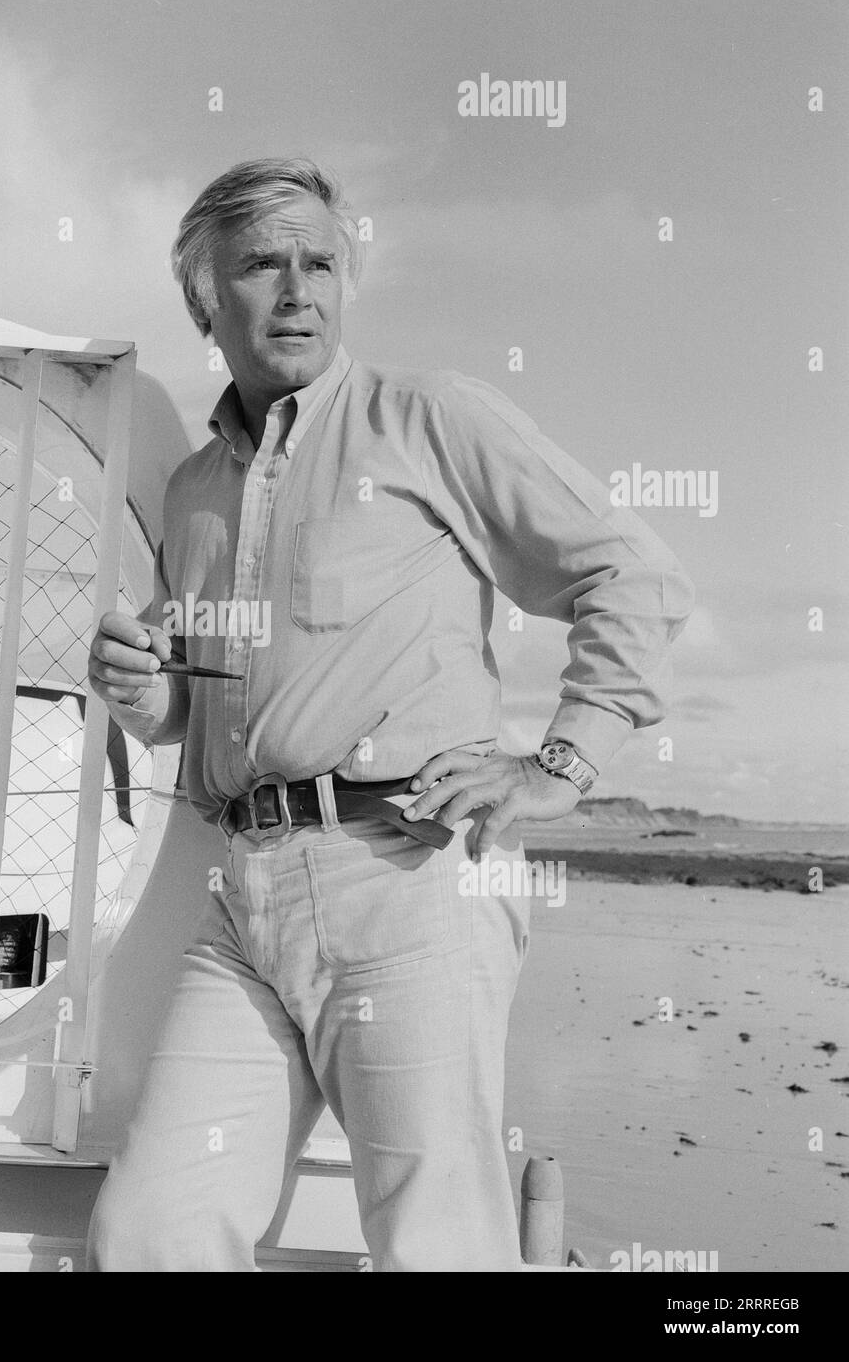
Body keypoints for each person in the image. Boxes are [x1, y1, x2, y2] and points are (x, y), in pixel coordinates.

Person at [84, 158, 693, 1271]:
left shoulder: (431, 420)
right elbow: (203, 709)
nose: (298, 290)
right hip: (241, 898)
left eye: (320, 261)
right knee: (150, 1233)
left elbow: (634, 574)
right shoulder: (193, 493)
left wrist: (559, 762)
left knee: (435, 1246)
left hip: (408, 881)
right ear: (203, 300)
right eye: (262, 264)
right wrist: (146, 695)